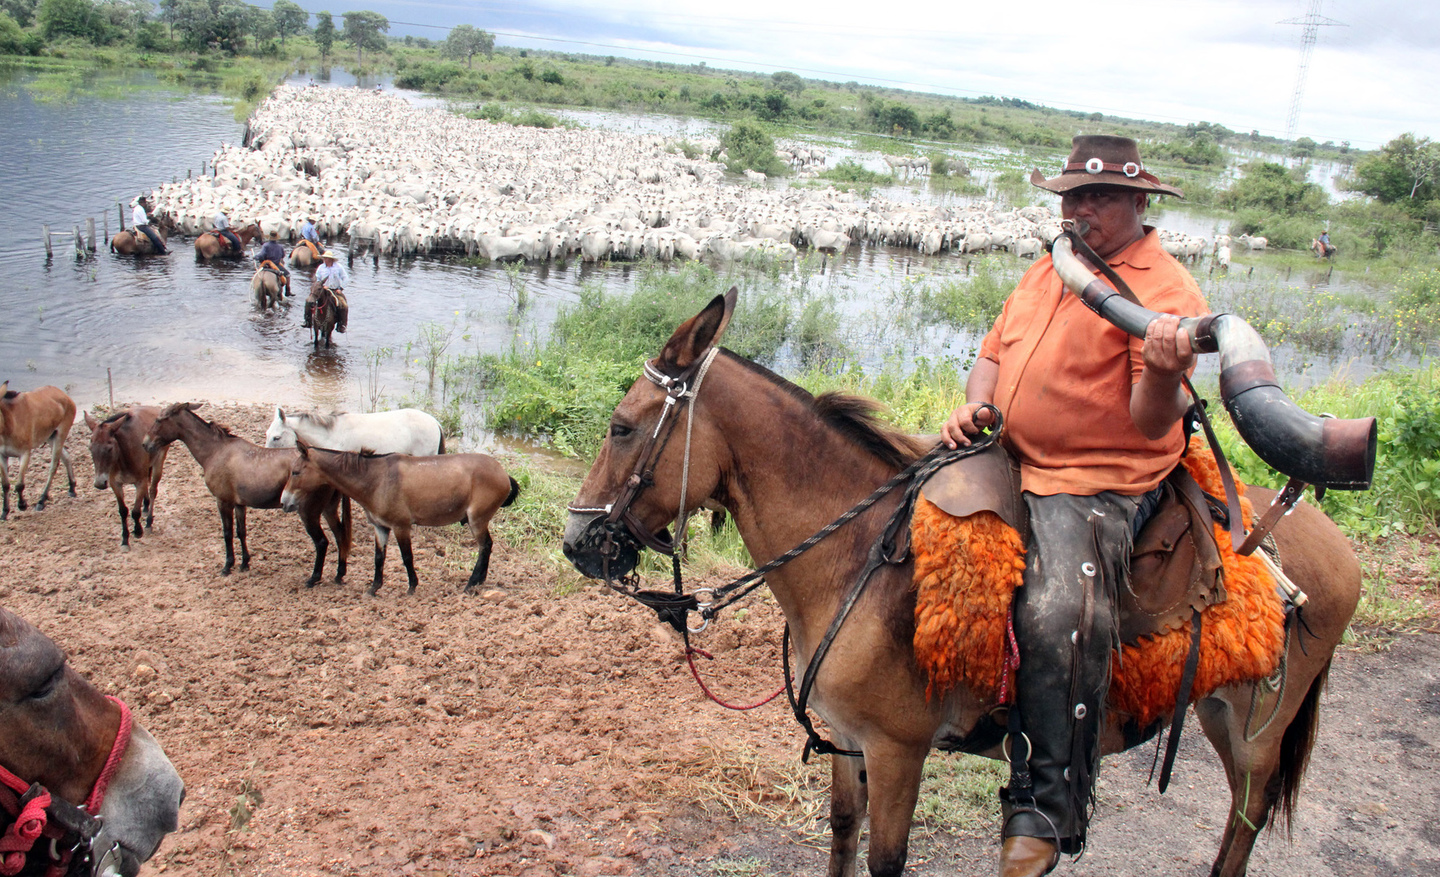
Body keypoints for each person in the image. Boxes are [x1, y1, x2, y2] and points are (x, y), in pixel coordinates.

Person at [940, 135, 1207, 877]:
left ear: (1138, 202)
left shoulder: (1166, 291)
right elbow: (992, 353)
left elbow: (1155, 421)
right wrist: (975, 407)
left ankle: (1049, 806)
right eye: (1072, 196)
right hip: (1011, 453)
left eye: (1100, 197)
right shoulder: (1049, 264)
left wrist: (1162, 367)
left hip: (1096, 475)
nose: (1081, 208)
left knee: (1057, 609)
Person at [305, 250, 349, 332]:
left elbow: (345, 278)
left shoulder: (339, 267)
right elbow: (317, 279)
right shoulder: (321, 267)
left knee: (344, 305)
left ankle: (342, 324)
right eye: (325, 258)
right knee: (308, 300)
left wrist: (340, 288)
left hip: (335, 290)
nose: (326, 260)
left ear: (331, 259)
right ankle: (307, 321)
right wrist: (320, 285)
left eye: (327, 258)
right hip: (322, 290)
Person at [256, 231, 291, 297]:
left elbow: (262, 255)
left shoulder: (265, 245)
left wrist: (256, 257)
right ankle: (288, 291)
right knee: (288, 275)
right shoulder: (280, 247)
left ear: (269, 237)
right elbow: (282, 255)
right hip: (276, 265)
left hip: (266, 265)